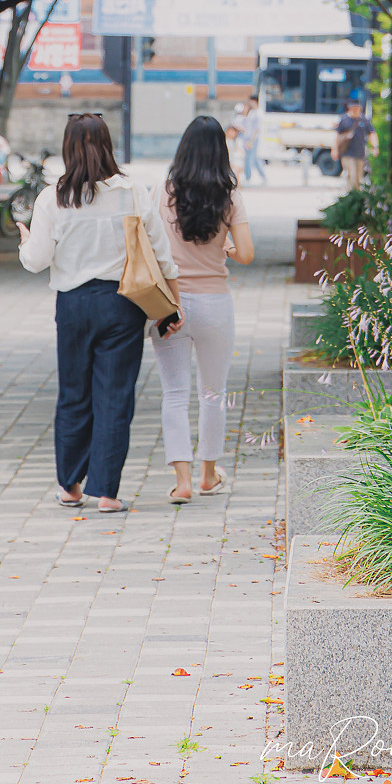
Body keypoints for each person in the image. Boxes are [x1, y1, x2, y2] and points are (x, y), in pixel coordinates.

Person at [18, 112, 180, 513]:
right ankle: (107, 492)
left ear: (68, 148)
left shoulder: (53, 197)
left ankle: (71, 487)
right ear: (108, 144)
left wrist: (24, 241)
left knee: (74, 394)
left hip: (73, 305)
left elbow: (36, 261)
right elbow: (161, 254)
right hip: (123, 303)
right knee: (115, 396)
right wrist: (172, 305)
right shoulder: (131, 191)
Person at [153, 115, 255, 503]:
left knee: (174, 393)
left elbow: (149, 244)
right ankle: (208, 475)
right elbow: (246, 254)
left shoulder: (162, 192)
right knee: (213, 392)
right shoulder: (229, 197)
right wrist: (225, 247)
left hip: (170, 304)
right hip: (215, 305)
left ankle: (182, 482)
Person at [333, 95, 377, 188]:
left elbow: (372, 133)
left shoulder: (364, 120)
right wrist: (335, 149)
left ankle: (353, 193)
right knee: (352, 175)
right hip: (347, 153)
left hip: (360, 154)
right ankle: (352, 193)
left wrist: (374, 147)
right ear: (350, 108)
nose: (356, 110)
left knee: (358, 178)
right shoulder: (344, 120)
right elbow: (337, 135)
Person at [235, 92, 266, 186]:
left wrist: (251, 141)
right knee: (255, 159)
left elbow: (257, 129)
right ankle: (263, 177)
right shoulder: (252, 112)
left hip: (253, 139)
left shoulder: (259, 113)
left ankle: (248, 178)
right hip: (248, 138)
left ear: (255, 101)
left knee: (249, 159)